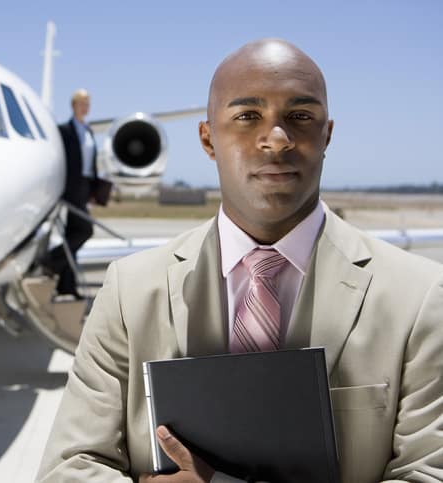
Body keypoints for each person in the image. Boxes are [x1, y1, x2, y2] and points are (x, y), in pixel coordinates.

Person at [36, 39, 443, 482]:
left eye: (300, 117)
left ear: (326, 135)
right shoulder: (128, 293)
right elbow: (68, 468)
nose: (277, 139)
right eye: (248, 116)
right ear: (208, 139)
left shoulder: (419, 297)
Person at [44, 88, 99, 299]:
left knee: (71, 237)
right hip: (71, 187)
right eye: (82, 102)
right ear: (74, 105)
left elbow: (90, 163)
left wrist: (94, 189)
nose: (86, 106)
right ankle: (50, 261)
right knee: (85, 230)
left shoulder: (88, 131)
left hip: (85, 186)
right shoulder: (65, 131)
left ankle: (66, 286)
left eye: (88, 102)